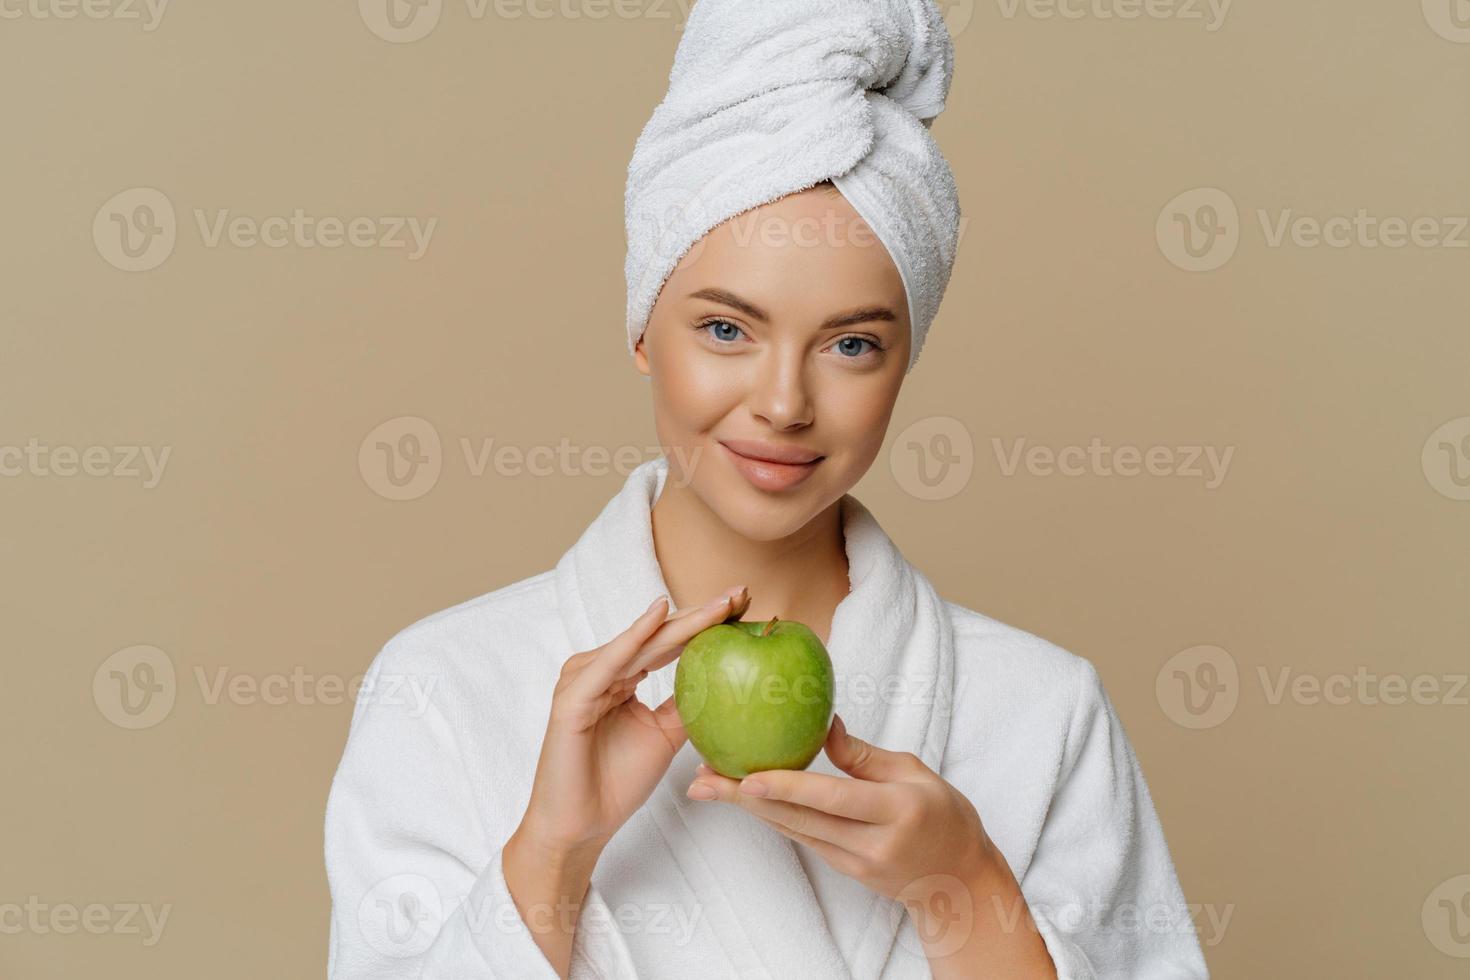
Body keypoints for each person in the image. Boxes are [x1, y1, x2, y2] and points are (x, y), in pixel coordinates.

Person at [325, 2, 1209, 978]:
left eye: (851, 344)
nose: (785, 402)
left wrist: (964, 884)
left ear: (905, 364)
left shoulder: (1042, 709)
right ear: (640, 328)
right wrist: (552, 853)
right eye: (726, 330)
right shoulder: (444, 688)